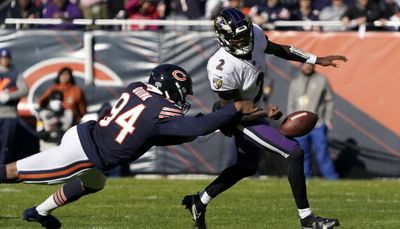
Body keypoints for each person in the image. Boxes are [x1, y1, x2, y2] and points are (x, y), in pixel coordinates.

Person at [0, 64, 271, 228]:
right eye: (181, 91)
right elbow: (196, 128)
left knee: (94, 183)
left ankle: (39, 212)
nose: (182, 97)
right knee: (13, 173)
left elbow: (154, 133)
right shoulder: (161, 109)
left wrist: (211, 123)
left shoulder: (136, 88)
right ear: (169, 87)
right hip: (84, 153)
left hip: (86, 137)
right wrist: (233, 109)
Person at [181, 8, 347, 229]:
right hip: (237, 116)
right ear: (224, 38)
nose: (244, 39)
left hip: (253, 108)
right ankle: (307, 219)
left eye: (246, 33)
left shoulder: (255, 34)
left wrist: (317, 59)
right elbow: (234, 108)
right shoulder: (220, 66)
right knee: (293, 151)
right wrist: (264, 113)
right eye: (237, 37)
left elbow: (280, 49)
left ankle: (199, 202)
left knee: (246, 167)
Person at [287, 63, 338, 180]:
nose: (307, 67)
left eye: (310, 64)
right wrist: (291, 123)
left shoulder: (322, 80)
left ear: (314, 65)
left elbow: (329, 100)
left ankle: (332, 178)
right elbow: (291, 104)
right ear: (300, 66)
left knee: (322, 153)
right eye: (305, 64)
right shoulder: (295, 82)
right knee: (302, 154)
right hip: (300, 126)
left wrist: (328, 118)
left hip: (318, 124)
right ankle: (305, 178)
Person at [0, 48, 37, 163]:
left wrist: (10, 96)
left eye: (7, 58)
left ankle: (2, 169)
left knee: (6, 144)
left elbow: (24, 90)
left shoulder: (15, 73)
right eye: (2, 58)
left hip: (10, 113)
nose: (5, 60)